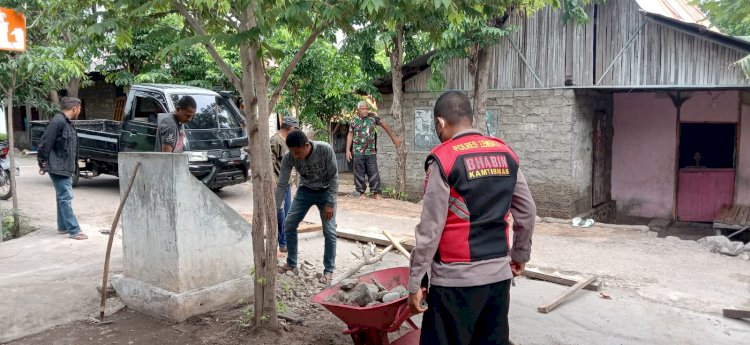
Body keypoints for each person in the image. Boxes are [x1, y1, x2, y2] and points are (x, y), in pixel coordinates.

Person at [407, 91, 536, 345]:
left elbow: (430, 230)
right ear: (472, 118)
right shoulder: (506, 154)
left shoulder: (443, 159)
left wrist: (414, 283)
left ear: (440, 123)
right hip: (498, 280)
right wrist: (519, 255)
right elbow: (527, 212)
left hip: (454, 284)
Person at [275, 130, 339, 284]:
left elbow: (334, 177)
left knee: (329, 231)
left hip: (326, 192)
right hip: (305, 191)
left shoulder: (324, 149)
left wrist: (330, 203)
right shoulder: (289, 157)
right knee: (289, 224)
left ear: (306, 145)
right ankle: (291, 263)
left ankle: (328, 270)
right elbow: (282, 183)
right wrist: (276, 208)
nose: (295, 156)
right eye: (292, 152)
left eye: (297, 152)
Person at [37, 97, 87, 240]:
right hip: (58, 166)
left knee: (62, 197)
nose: (80, 110)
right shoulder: (57, 122)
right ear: (75, 108)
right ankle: (74, 230)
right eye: (79, 108)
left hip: (64, 165)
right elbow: (45, 143)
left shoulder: (66, 122)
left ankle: (63, 227)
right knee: (66, 197)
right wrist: (42, 162)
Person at [346, 101, 402, 199]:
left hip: (370, 151)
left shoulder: (373, 118)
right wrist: (347, 150)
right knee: (359, 172)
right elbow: (350, 135)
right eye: (363, 108)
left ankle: (376, 193)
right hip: (358, 151)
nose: (365, 110)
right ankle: (361, 193)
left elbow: (385, 125)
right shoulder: (354, 121)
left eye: (367, 108)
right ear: (358, 110)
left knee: (373, 172)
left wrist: (393, 137)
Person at [271, 116, 299, 253]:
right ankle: (277, 243)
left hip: (286, 183)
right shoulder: (275, 141)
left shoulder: (288, 141)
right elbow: (269, 161)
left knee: (288, 214)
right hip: (278, 184)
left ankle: (283, 243)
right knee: (279, 215)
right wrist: (272, 179)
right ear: (291, 128)